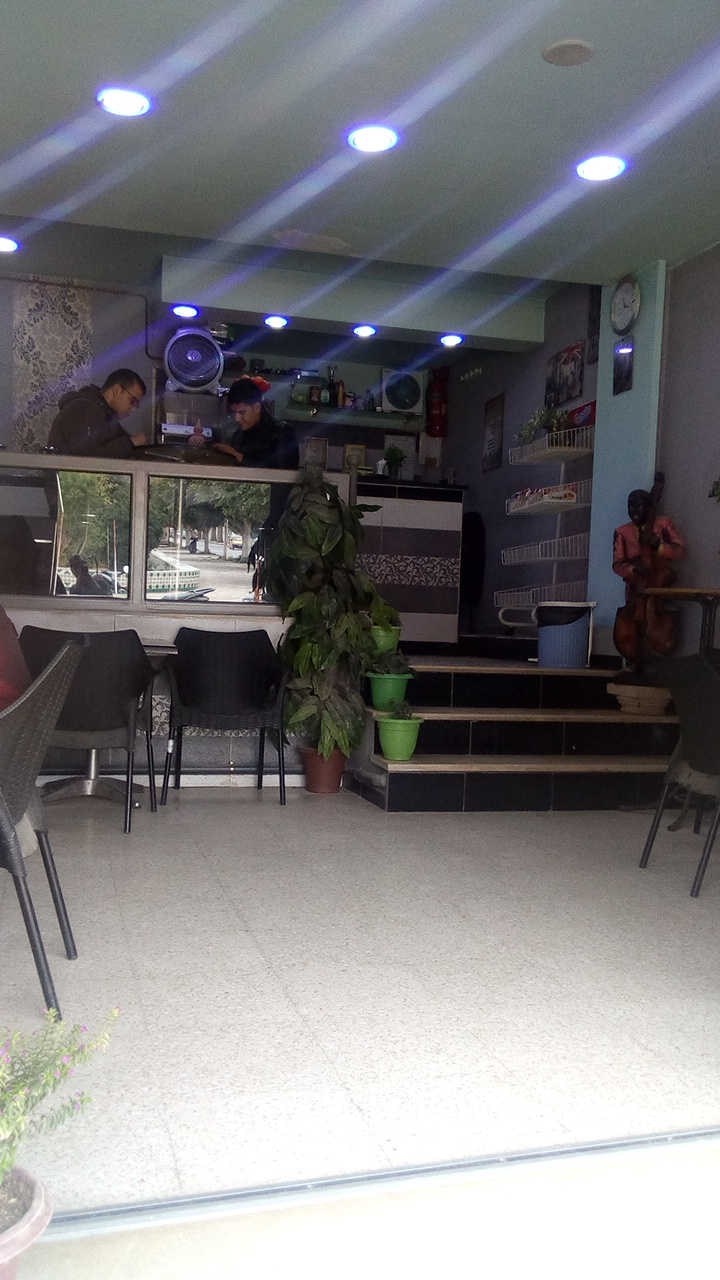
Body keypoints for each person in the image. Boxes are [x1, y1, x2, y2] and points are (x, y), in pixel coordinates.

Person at [612, 482, 687, 668]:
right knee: (631, 620)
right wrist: (633, 570)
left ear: (649, 506)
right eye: (630, 506)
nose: (633, 511)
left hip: (659, 591)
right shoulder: (622, 532)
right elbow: (617, 564)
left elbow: (681, 552)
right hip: (635, 590)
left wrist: (659, 547)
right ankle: (634, 659)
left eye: (638, 506)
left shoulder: (663, 524)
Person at [47, 369, 147, 458]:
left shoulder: (108, 416)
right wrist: (130, 443)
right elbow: (86, 458)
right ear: (117, 390)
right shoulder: (82, 408)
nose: (133, 409)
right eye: (132, 401)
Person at [212, 377, 299, 470]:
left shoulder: (283, 433)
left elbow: (283, 472)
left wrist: (239, 456)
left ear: (257, 407)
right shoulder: (237, 437)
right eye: (234, 412)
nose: (237, 419)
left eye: (242, 412)